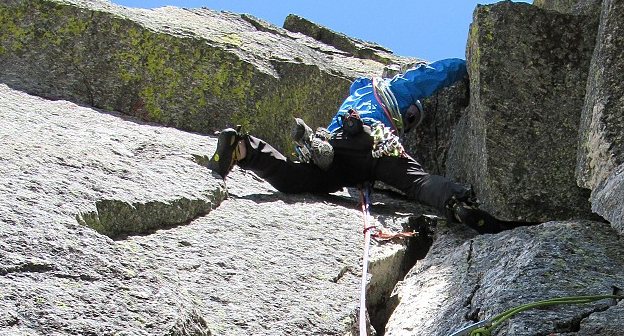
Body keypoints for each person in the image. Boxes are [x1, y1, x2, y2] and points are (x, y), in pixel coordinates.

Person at [210, 59, 512, 233]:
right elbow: (436, 74)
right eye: (411, 118)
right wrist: (474, 62)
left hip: (341, 150)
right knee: (418, 183)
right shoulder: (393, 90)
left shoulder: (350, 100)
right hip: (375, 141)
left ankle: (244, 148)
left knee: (297, 180)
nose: (407, 123)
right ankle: (458, 204)